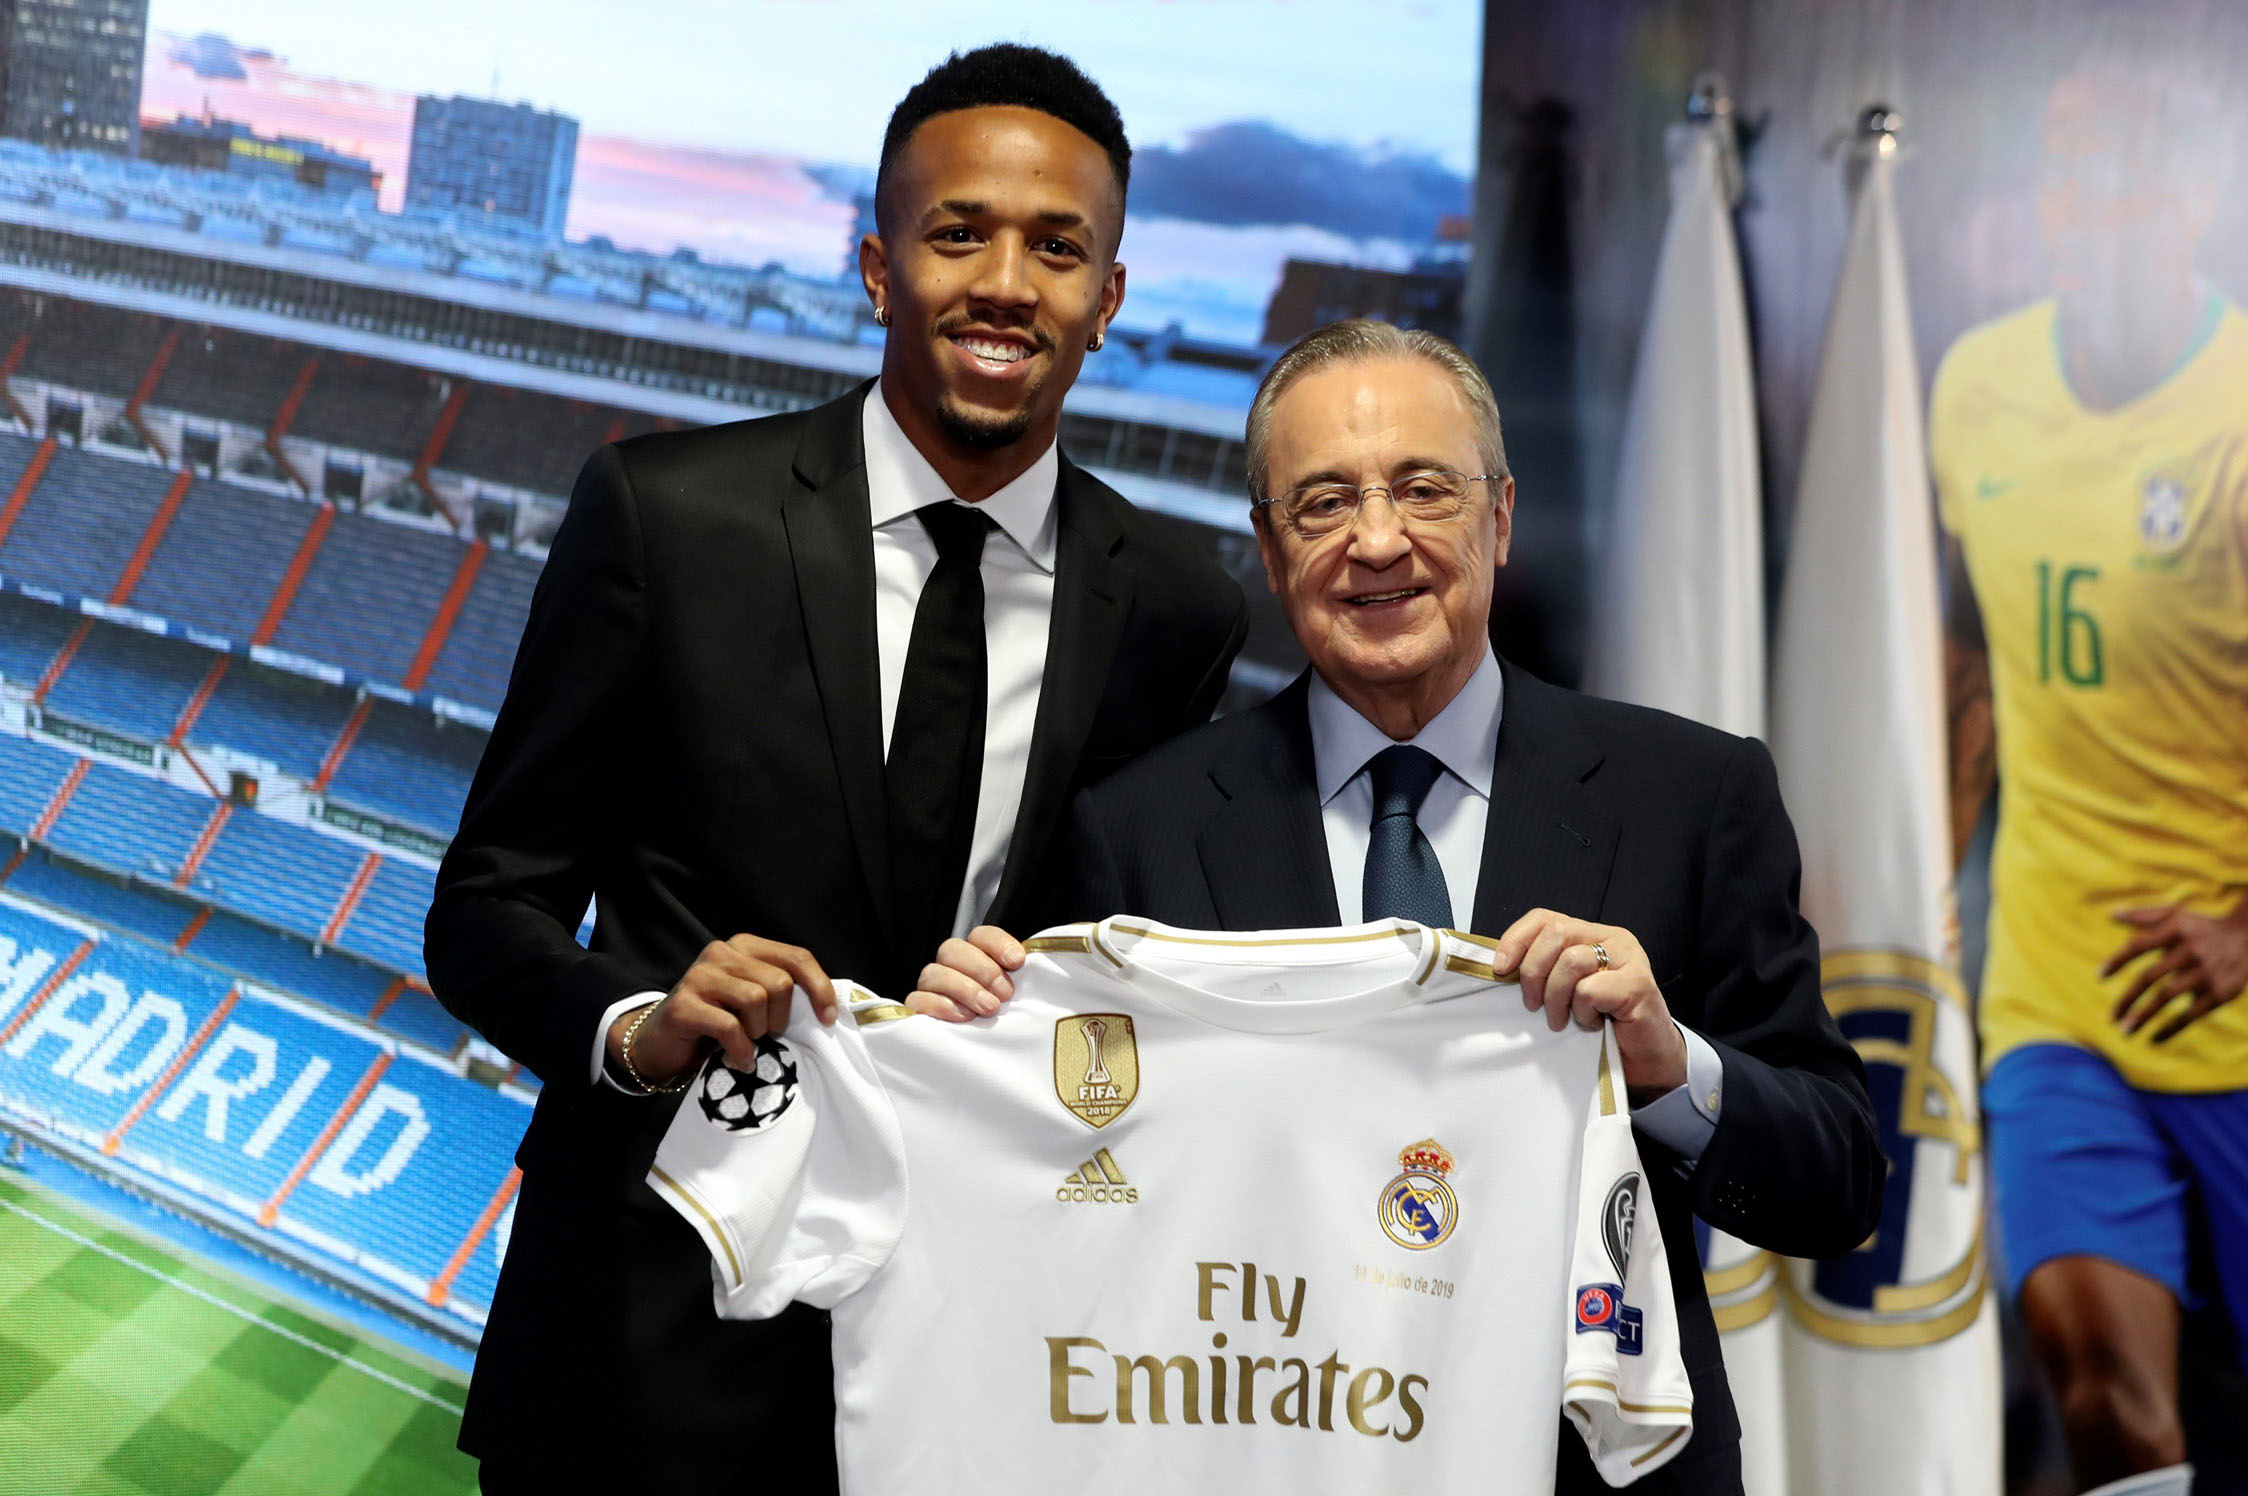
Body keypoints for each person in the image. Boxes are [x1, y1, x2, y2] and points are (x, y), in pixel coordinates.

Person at [423, 45, 1246, 1492]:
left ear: (1109, 297)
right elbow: (486, 910)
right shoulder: (668, 516)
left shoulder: (1177, 607)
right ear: (877, 268)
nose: (1007, 283)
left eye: (1058, 249)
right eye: (959, 233)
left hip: (971, 1360)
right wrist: (641, 1026)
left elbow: (1137, 974)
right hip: (641, 1343)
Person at [913, 319, 1885, 1495]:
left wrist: (1667, 1063)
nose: (1377, 540)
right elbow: (1082, 1197)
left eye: (1424, 489)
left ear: (1500, 518)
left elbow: (1839, 1185)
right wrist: (980, 1061)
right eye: (1322, 503)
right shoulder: (1139, 829)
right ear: (1269, 551)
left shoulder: (1690, 795)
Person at [1932, 55, 2248, 1496]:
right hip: (2058, 1000)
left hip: (2234, 1008)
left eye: (2114, 179)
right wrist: (1927, 864)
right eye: (2058, 174)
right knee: (2105, 1396)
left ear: (2189, 204)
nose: (2078, 206)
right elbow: (1970, 652)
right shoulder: (1980, 388)